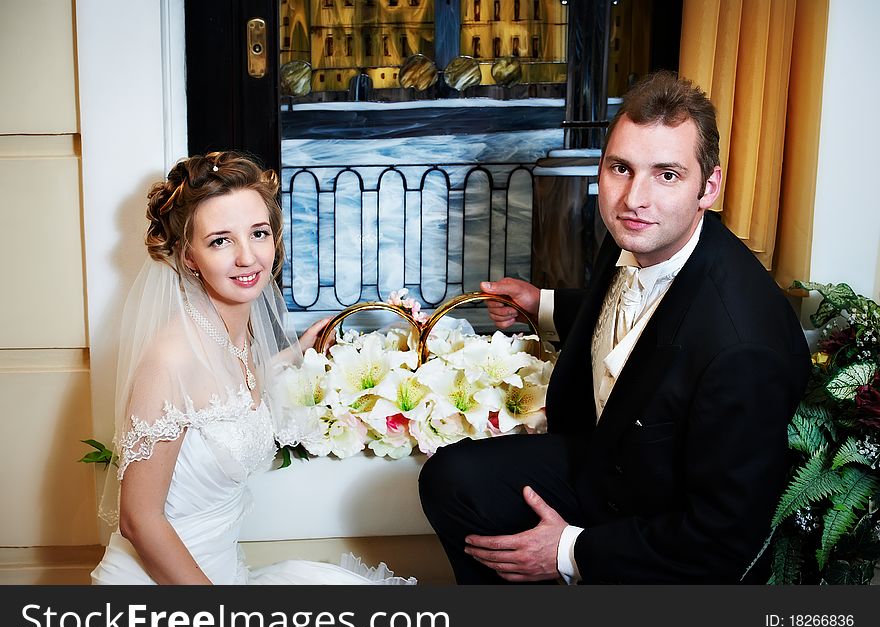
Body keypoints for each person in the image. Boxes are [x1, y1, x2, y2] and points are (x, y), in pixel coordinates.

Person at [418, 71, 810, 584]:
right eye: (620, 168)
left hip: (666, 521)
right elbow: (639, 326)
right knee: (452, 479)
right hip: (612, 458)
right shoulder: (639, 235)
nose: (633, 198)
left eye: (666, 174)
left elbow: (724, 540)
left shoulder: (741, 348)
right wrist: (543, 304)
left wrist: (570, 551)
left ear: (708, 187)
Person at [91, 152, 415, 585]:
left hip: (223, 570)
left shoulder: (238, 334)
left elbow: (225, 399)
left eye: (258, 233)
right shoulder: (172, 357)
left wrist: (297, 352)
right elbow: (139, 520)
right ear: (189, 256)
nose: (248, 257)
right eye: (220, 240)